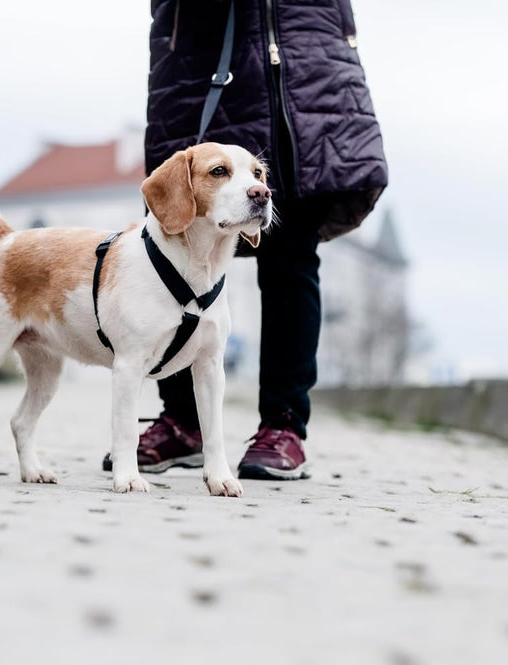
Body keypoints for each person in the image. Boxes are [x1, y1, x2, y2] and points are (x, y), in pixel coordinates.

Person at [104, 0, 388, 480]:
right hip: (203, 69)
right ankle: (183, 422)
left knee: (293, 258)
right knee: (173, 251)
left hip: (305, 81)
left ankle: (284, 426)